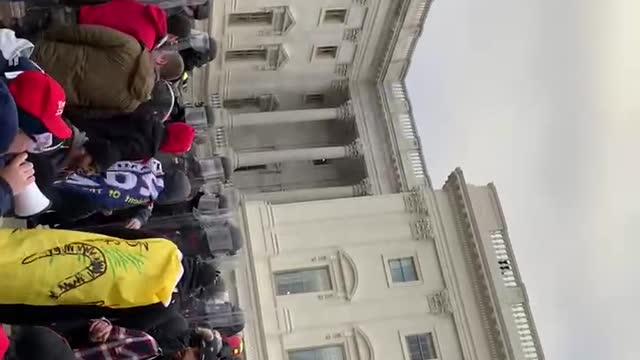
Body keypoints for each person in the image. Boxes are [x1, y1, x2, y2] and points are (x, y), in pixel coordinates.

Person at [30, 24, 182, 113]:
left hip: (44, 54)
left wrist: (47, 36)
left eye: (162, 51)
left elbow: (86, 34)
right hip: (45, 90)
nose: (157, 49)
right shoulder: (132, 103)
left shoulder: (132, 47)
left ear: (162, 60)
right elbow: (88, 111)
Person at [38, 158, 191, 228]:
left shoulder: (149, 167)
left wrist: (140, 218)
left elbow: (146, 208)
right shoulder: (146, 194)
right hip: (83, 195)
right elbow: (103, 200)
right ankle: (40, 217)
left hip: (78, 167)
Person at [69, 113, 195, 171]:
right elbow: (114, 151)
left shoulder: (148, 116)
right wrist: (98, 165)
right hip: (77, 140)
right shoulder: (145, 147)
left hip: (79, 117)